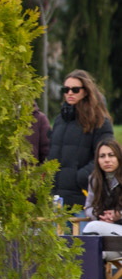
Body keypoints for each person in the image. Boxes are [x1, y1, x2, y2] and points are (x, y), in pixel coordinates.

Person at [47, 69, 114, 209]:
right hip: (56, 198)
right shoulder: (60, 120)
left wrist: (81, 178)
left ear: (86, 91)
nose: (70, 93)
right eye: (66, 89)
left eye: (75, 89)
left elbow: (106, 155)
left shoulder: (99, 121)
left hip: (82, 199)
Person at [82, 139, 122, 236]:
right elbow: (89, 207)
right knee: (93, 228)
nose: (106, 160)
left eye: (111, 155)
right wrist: (100, 216)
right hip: (107, 225)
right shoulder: (94, 179)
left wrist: (119, 214)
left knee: (92, 227)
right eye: (102, 156)